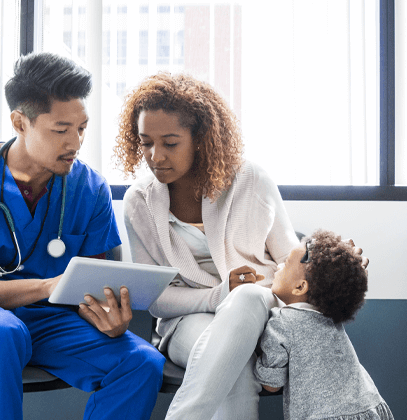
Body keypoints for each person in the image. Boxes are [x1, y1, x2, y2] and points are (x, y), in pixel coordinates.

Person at [0, 51, 164, 420]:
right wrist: (46, 287)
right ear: (20, 122)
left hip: (50, 322)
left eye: (81, 128)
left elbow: (93, 284)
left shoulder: (89, 188)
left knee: (141, 362)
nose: (75, 142)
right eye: (60, 130)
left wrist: (109, 316)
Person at [116, 72, 307, 420]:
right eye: (146, 142)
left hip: (262, 315)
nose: (155, 156)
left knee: (248, 297)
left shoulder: (252, 181)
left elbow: (290, 263)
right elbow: (156, 299)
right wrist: (220, 294)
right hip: (185, 323)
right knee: (231, 363)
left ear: (200, 139)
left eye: (170, 143)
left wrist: (327, 265)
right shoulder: (139, 202)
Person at [254, 230, 393, 420]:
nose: (277, 266)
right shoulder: (330, 319)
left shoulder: (282, 321)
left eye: (285, 264)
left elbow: (271, 384)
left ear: (300, 287)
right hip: (369, 408)